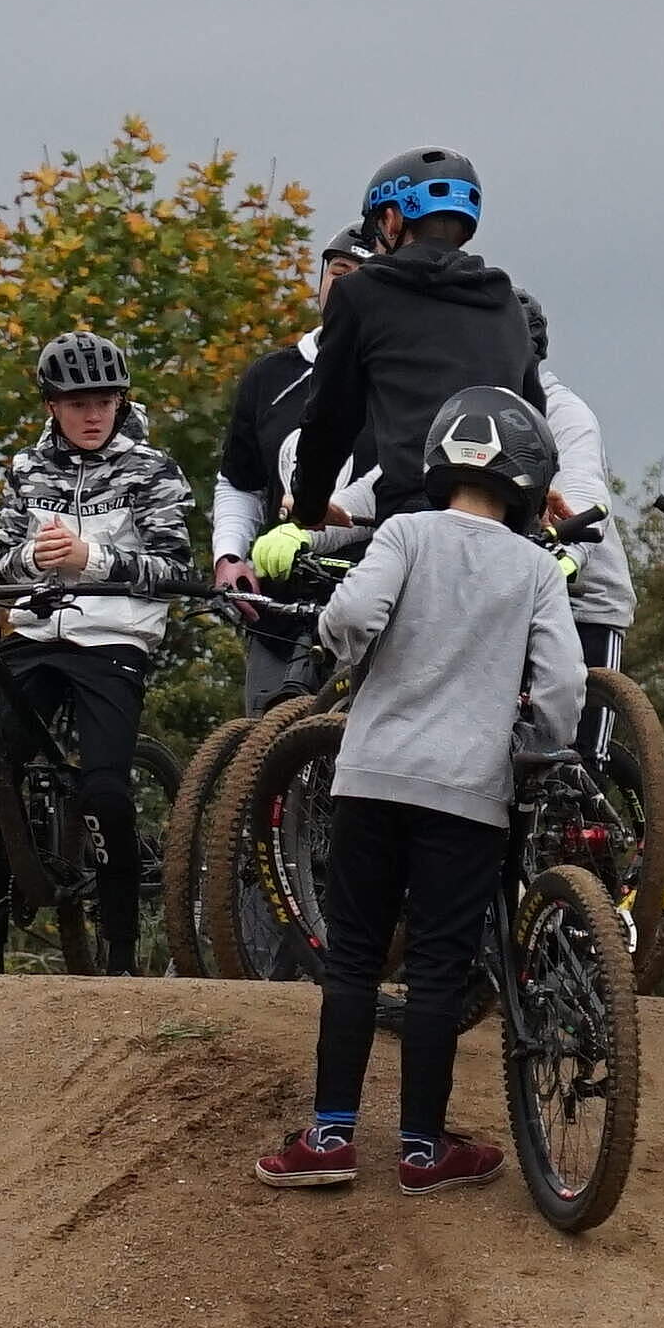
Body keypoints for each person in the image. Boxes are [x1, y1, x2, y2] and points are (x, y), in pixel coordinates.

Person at [262, 386, 585, 1194]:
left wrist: (334, 652)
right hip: (469, 795)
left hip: (370, 777)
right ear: (526, 476)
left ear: (442, 460)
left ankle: (330, 1136)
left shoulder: (404, 532)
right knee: (439, 966)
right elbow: (563, 686)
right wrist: (536, 746)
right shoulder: (537, 567)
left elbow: (354, 615)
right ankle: (421, 1151)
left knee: (356, 956)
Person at [0, 330, 188, 974]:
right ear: (50, 406)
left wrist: (90, 559)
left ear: (122, 400)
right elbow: (1, 560)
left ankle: (118, 945)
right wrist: (30, 557)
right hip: (35, 637)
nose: (92, 415)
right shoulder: (24, 469)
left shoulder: (151, 469)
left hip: (113, 640)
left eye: (104, 401)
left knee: (105, 794)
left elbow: (176, 568)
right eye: (76, 403)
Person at [286, 152, 542, 532]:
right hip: (503, 526)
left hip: (415, 522)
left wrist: (309, 506)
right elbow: (531, 413)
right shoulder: (505, 301)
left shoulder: (362, 293)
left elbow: (330, 418)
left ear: (391, 221)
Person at [211, 231, 371, 708]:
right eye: (337, 274)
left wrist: (312, 528)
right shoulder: (271, 376)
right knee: (264, 756)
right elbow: (240, 481)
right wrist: (229, 557)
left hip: (368, 597)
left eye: (361, 279)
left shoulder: (400, 378)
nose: (344, 288)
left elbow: (394, 482)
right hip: (278, 601)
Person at [539, 373, 637, 673]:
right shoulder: (453, 404)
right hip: (503, 602)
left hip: (583, 609)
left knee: (572, 713)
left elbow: (581, 483)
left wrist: (569, 554)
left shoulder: (561, 411)